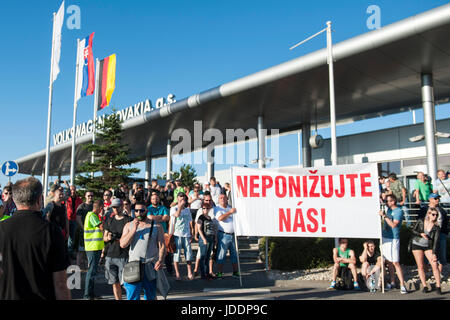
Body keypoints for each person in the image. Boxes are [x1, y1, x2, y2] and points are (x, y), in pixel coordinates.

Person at [0, 177, 70, 300]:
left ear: (15, 200)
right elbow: (60, 283)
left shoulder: (2, 229)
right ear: (39, 199)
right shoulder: (52, 231)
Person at [120, 202, 166, 300]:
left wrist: (160, 260)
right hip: (133, 265)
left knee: (150, 296)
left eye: (141, 210)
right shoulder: (129, 225)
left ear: (146, 211)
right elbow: (123, 244)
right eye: (136, 210)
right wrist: (134, 230)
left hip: (150, 265)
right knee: (132, 296)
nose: (139, 213)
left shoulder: (157, 226)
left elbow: (162, 245)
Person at [103, 198, 133, 300]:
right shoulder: (109, 220)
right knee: (114, 283)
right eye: (113, 207)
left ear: (121, 207)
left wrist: (121, 239)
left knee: (126, 282)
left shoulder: (128, 220)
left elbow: (131, 237)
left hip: (123, 255)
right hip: (110, 255)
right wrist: (109, 237)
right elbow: (105, 237)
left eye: (116, 207)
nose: (115, 209)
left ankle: (131, 298)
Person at [379, 194, 408, 294]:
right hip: (385, 237)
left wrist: (384, 216)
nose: (388, 203)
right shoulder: (389, 210)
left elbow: (393, 225)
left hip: (393, 238)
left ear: (394, 201)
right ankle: (392, 281)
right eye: (386, 201)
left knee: (395, 262)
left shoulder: (398, 211)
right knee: (389, 262)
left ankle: (402, 285)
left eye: (390, 201)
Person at [410, 207, 442, 294]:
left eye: (436, 215)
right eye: (433, 214)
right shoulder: (421, 221)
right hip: (417, 244)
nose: (434, 216)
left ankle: (438, 286)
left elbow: (436, 241)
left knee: (434, 264)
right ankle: (424, 285)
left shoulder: (436, 227)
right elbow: (413, 230)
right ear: (428, 214)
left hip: (428, 246)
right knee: (420, 266)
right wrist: (420, 234)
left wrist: (434, 253)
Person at [214, 193, 239, 279]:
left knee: (234, 255)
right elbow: (220, 218)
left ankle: (235, 272)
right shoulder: (217, 208)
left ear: (227, 199)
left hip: (233, 234)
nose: (223, 199)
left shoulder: (230, 208)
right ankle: (219, 273)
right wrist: (229, 212)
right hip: (223, 235)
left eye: (224, 197)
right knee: (221, 255)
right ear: (218, 199)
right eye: (221, 198)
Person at [83, 200, 105, 300]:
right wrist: (103, 217)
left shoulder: (93, 216)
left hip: (94, 246)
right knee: (91, 271)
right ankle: (87, 295)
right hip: (92, 247)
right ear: (100, 208)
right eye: (102, 208)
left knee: (93, 271)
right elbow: (101, 227)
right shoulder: (92, 215)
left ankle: (91, 294)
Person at [170, 192, 194, 280]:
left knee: (189, 255)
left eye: (183, 198)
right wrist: (180, 206)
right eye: (180, 198)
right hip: (177, 234)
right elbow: (176, 215)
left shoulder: (187, 210)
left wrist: (192, 232)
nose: (182, 200)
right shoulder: (174, 208)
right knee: (177, 255)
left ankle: (189, 272)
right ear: (177, 199)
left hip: (186, 234)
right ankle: (177, 274)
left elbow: (190, 221)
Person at [147, 193, 173, 275]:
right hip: (151, 232)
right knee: (153, 252)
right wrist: (161, 217)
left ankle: (170, 271)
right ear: (151, 200)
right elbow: (149, 218)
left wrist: (155, 218)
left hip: (163, 232)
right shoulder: (148, 208)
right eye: (153, 199)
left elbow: (167, 218)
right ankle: (154, 269)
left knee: (166, 252)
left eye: (156, 198)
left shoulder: (163, 208)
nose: (155, 200)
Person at [197, 203, 217, 280]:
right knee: (203, 256)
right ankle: (203, 274)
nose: (205, 210)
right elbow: (199, 228)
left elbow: (212, 229)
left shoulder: (209, 218)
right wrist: (203, 239)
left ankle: (207, 273)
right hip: (204, 239)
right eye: (204, 208)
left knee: (208, 257)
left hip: (210, 238)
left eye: (207, 208)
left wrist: (215, 238)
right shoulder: (201, 217)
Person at [75, 190, 94, 269]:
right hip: (83, 231)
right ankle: (78, 267)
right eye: (88, 195)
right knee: (81, 250)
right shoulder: (82, 206)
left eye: (91, 196)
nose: (90, 197)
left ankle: (90, 266)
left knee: (91, 250)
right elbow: (78, 219)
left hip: (93, 232)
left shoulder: (94, 206)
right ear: (85, 196)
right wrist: (83, 228)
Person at [66, 185, 83, 258]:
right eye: (71, 190)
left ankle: (70, 251)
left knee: (72, 237)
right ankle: (66, 251)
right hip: (67, 219)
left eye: (74, 189)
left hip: (75, 220)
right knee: (66, 235)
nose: (72, 191)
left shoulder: (79, 200)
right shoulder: (66, 199)